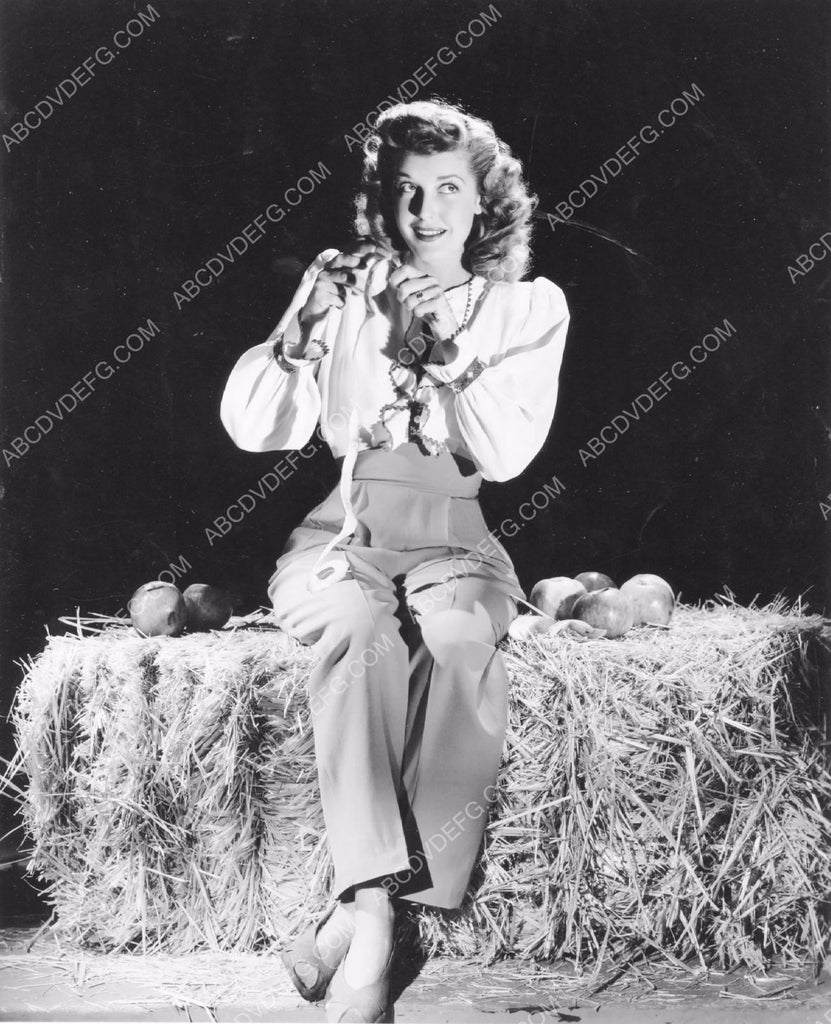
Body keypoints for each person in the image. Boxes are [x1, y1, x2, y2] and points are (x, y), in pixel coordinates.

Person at [220, 98, 570, 1023]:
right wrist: (300, 326)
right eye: (407, 189)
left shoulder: (527, 307)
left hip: (455, 533)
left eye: (448, 188)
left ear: (485, 200)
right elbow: (254, 428)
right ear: (383, 198)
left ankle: (358, 907)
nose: (426, 210)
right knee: (354, 628)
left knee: (457, 643)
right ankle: (374, 927)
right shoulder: (346, 294)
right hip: (346, 529)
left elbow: (505, 454)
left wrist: (441, 352)